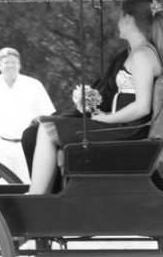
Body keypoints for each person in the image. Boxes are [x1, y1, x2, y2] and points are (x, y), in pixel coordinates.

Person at [28, 0, 163, 195]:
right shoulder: (139, 52)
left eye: (120, 17)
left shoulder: (143, 55)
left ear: (127, 18)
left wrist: (108, 119)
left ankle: (36, 196)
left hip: (129, 131)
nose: (118, 23)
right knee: (48, 126)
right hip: (124, 127)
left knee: (47, 129)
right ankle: (45, 194)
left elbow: (142, 106)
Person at [21, 48, 129, 176]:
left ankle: (43, 192)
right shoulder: (123, 57)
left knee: (34, 133)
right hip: (102, 116)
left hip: (117, 126)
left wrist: (105, 116)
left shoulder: (134, 58)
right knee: (32, 133)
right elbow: (103, 93)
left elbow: (106, 98)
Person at [0, 47, 56, 184]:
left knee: (29, 187)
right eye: (6, 62)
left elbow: (47, 118)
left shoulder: (34, 86)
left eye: (13, 62)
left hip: (27, 146)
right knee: (0, 188)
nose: (10, 65)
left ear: (19, 65)